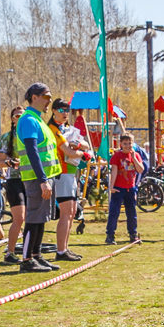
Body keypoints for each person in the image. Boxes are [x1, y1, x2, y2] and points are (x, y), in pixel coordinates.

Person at [14, 83, 60, 272]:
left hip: (45, 177)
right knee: (33, 218)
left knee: (41, 218)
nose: (49, 101)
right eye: (46, 97)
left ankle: (36, 255)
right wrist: (42, 180)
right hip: (36, 178)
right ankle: (26, 260)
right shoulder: (28, 120)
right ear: (34, 97)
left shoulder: (38, 119)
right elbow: (32, 152)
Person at [48, 98, 92, 261]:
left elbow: (85, 144)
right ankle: (60, 251)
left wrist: (79, 146)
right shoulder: (53, 129)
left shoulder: (67, 128)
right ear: (54, 111)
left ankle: (64, 248)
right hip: (61, 172)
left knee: (72, 212)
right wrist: (82, 153)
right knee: (66, 212)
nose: (65, 113)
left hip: (71, 173)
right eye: (61, 110)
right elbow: (70, 152)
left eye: (67, 110)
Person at [105, 133, 144, 245]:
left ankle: (133, 234)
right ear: (121, 144)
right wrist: (112, 186)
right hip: (119, 188)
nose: (127, 146)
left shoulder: (136, 155)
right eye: (125, 144)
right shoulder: (117, 156)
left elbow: (140, 169)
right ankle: (110, 235)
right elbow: (114, 171)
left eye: (130, 143)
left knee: (131, 213)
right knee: (114, 212)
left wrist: (134, 158)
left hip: (130, 188)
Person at [0, 106, 26, 264]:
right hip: (14, 180)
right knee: (19, 218)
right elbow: (0, 161)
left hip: (31, 179)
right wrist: (11, 162)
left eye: (22, 116)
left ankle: (29, 252)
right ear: (12, 119)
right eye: (16, 116)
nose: (19, 118)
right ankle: (10, 252)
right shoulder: (6, 137)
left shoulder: (31, 135)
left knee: (31, 218)